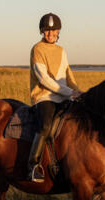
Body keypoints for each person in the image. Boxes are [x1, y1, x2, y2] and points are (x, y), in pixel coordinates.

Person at [28, 13, 82, 183]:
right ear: (42, 32)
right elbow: (43, 79)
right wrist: (68, 92)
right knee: (45, 126)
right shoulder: (37, 49)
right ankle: (33, 166)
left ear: (58, 31)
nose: (50, 34)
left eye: (53, 30)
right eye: (46, 31)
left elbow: (68, 75)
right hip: (45, 96)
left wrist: (79, 92)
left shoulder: (61, 51)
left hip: (63, 95)